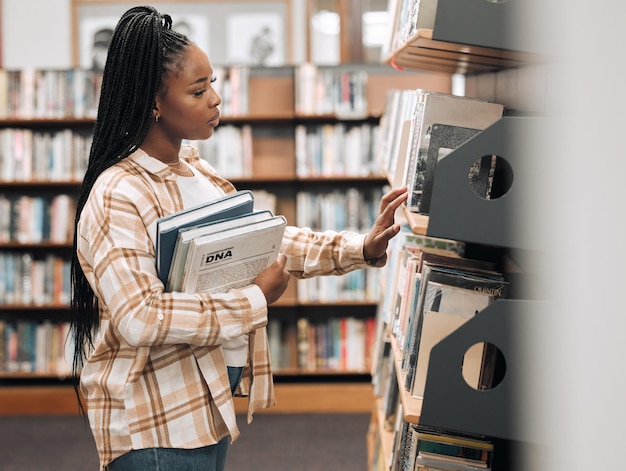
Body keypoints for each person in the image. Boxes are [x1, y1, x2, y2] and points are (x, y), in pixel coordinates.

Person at [69, 6, 408, 471]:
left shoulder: (195, 170)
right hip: (153, 417)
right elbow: (140, 316)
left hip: (207, 401)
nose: (215, 98)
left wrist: (359, 248)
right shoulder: (119, 193)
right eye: (198, 89)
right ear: (154, 102)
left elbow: (265, 242)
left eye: (213, 84)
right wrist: (254, 301)